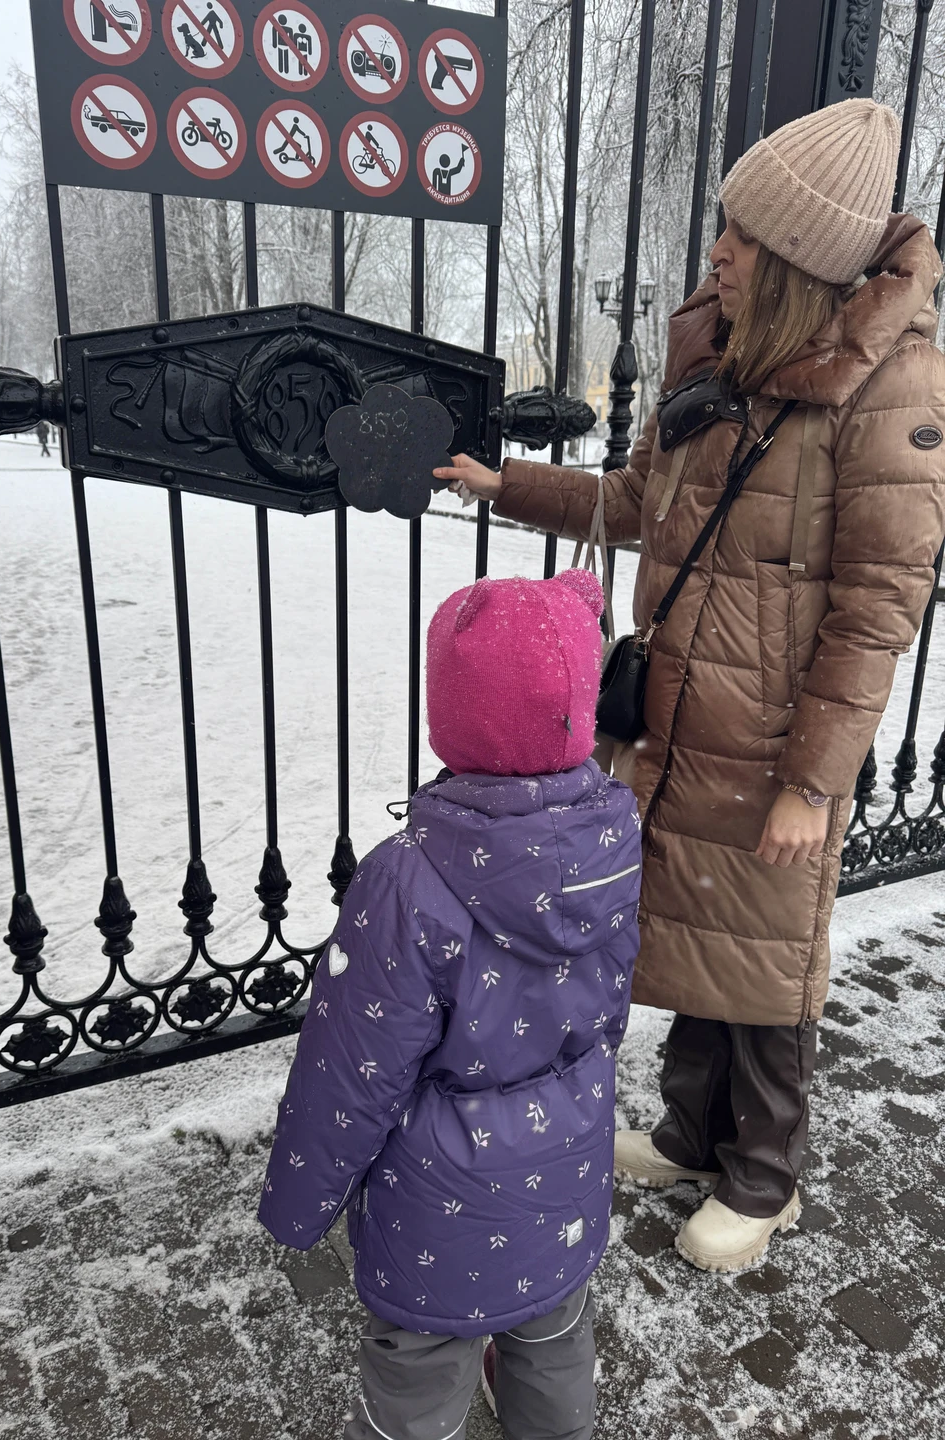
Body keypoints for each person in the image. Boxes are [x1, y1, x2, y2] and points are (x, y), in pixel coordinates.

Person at [435, 98, 945, 1274]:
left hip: (773, 743)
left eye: (744, 235)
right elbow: (634, 501)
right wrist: (504, 483)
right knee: (696, 943)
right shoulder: (727, 357)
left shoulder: (893, 393)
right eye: (726, 227)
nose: (718, 251)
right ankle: (686, 1135)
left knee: (767, 962)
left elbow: (878, 610)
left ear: (804, 260)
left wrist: (813, 784)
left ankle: (765, 1184)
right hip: (682, 719)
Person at [260, 568, 642, 1440]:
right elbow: (611, 1003)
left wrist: (299, 1199)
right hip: (567, 1170)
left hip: (440, 1202)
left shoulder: (407, 877)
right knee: (553, 1341)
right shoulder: (614, 839)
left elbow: (351, 1067)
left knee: (418, 1381)